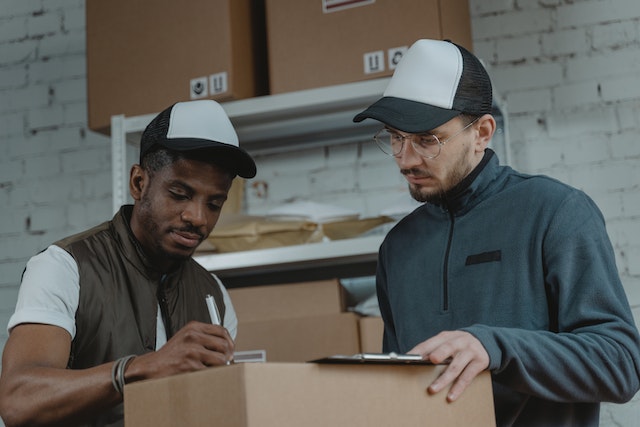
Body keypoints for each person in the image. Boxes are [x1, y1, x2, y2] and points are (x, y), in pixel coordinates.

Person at [353, 39, 640, 426]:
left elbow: (620, 364)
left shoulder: (555, 211)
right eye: (395, 137)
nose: (406, 158)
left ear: (482, 133)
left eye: (426, 140)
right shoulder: (397, 247)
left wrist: (496, 346)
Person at [0, 99, 257, 427]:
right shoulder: (65, 267)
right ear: (139, 183)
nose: (197, 217)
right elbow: (18, 400)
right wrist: (142, 368)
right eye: (180, 194)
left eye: (214, 203)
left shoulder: (213, 295)